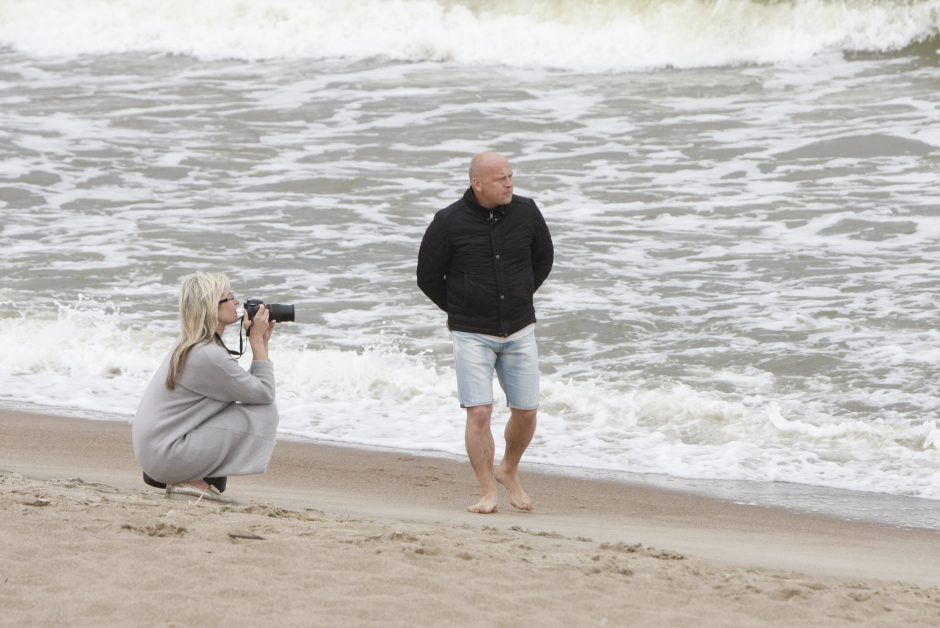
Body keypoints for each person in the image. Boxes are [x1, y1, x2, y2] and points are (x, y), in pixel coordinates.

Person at [417, 151, 554, 514]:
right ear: (477, 183)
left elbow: (543, 259)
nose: (509, 183)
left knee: (526, 412)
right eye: (500, 179)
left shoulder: (527, 212)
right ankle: (487, 492)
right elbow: (427, 277)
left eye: (511, 176)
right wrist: (463, 309)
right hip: (471, 334)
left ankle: (508, 469)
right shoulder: (448, 221)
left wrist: (519, 297)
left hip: (519, 328)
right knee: (479, 413)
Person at [132, 271, 279, 503]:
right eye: (229, 297)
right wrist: (257, 342)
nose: (237, 302)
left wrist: (262, 341)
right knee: (264, 412)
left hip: (158, 452)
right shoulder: (207, 354)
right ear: (212, 306)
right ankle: (190, 481)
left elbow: (250, 390)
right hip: (166, 456)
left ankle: (190, 476)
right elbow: (264, 394)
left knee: (246, 409)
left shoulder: (194, 344)